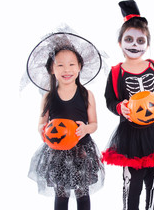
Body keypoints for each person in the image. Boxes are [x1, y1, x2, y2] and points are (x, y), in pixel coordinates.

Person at [102, 0, 154, 210]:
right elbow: (110, 100)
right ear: (120, 43)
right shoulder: (116, 72)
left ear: (147, 44)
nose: (134, 44)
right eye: (129, 39)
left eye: (140, 40)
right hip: (130, 135)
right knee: (132, 183)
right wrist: (119, 107)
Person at [26, 29, 105, 210]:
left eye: (71, 64)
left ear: (79, 67)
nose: (66, 69)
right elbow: (41, 122)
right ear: (51, 70)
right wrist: (41, 129)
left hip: (81, 152)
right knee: (61, 194)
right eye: (60, 65)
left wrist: (86, 129)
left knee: (82, 193)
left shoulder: (87, 94)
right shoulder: (48, 96)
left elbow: (94, 124)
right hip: (57, 153)